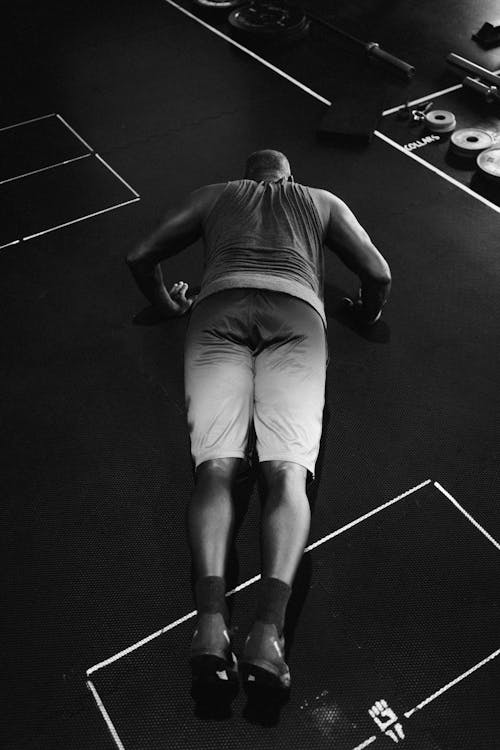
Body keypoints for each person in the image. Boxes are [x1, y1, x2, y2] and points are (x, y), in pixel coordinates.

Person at [126, 149, 391, 693]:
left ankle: (209, 627)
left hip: (219, 310)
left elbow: (140, 254)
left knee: (217, 468)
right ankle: (267, 635)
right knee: (287, 473)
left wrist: (169, 304)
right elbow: (378, 272)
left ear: (247, 178)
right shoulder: (320, 202)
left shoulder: (216, 195)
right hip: (296, 315)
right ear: (289, 178)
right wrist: (364, 312)